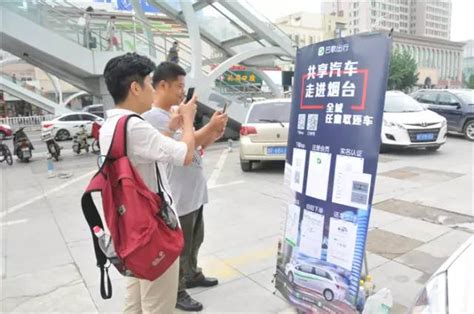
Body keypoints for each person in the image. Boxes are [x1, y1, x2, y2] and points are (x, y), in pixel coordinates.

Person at [100, 53, 197, 313]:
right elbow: (185, 155)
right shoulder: (135, 126)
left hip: (128, 228)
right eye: (149, 84)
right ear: (135, 88)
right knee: (158, 305)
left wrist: (170, 128)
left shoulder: (112, 124)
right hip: (151, 231)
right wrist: (188, 119)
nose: (153, 90)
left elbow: (143, 152)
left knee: (135, 302)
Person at [143, 62, 228, 312]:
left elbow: (194, 148)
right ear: (162, 85)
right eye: (179, 86)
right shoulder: (154, 118)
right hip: (177, 195)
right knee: (178, 246)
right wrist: (206, 127)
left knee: (195, 240)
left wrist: (212, 133)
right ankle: (178, 290)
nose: (183, 91)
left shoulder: (174, 113)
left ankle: (192, 274)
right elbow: (182, 149)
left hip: (192, 191)